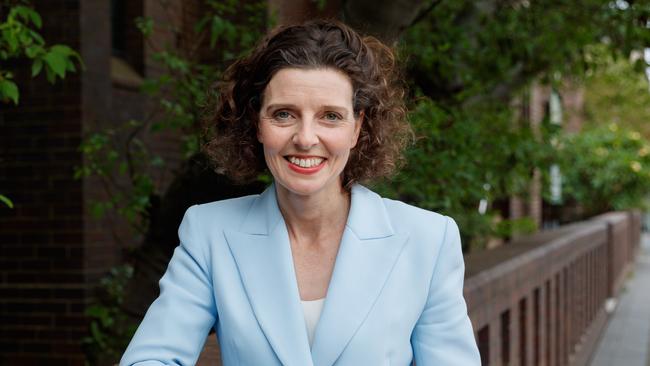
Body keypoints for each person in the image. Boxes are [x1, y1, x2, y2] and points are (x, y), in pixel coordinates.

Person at [121, 20, 480, 366]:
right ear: (257, 123)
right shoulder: (209, 232)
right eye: (284, 114)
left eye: (330, 116)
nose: (306, 138)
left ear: (358, 128)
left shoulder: (427, 240)